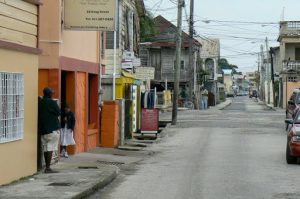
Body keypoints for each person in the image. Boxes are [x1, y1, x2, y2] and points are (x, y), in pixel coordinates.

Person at [39, 87, 61, 173]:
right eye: (52, 93)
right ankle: (48, 168)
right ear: (50, 94)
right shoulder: (52, 102)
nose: (53, 94)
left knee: (45, 148)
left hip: (43, 129)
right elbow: (58, 112)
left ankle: (46, 167)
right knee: (50, 148)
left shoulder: (40, 102)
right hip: (52, 129)